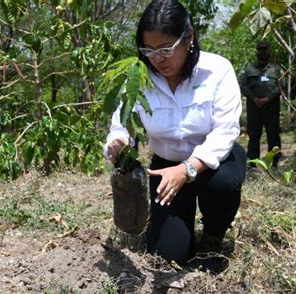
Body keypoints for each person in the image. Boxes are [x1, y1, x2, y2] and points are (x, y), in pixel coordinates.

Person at [103, 0, 246, 271]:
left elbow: (226, 129)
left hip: (213, 164)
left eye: (166, 49)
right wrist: (118, 143)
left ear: (189, 37)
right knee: (170, 254)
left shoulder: (217, 70)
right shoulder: (137, 76)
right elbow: (121, 125)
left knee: (223, 185)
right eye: (149, 50)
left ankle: (213, 236)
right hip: (166, 168)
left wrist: (189, 168)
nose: (158, 58)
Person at [240, 41, 282, 169]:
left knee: (273, 135)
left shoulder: (276, 69)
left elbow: (281, 87)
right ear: (257, 52)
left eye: (265, 49)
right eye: (260, 49)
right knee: (254, 136)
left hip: (272, 109)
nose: (263, 52)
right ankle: (252, 162)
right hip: (254, 109)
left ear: (269, 52)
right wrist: (255, 99)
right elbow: (244, 86)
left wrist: (268, 99)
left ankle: (274, 162)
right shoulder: (249, 69)